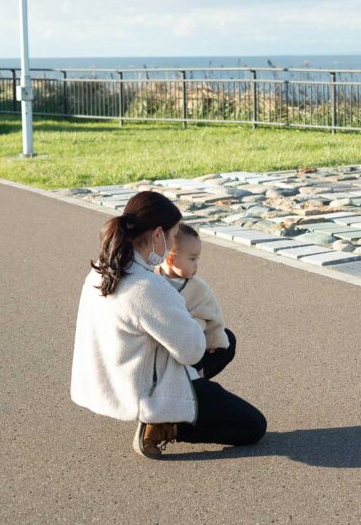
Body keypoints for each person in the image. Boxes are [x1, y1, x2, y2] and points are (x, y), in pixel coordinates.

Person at [70, 191, 265, 459]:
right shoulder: (148, 287)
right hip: (144, 387)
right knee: (252, 426)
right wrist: (191, 317)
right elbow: (192, 351)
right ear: (158, 235)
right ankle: (167, 422)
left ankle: (178, 409)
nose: (174, 242)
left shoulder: (102, 269)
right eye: (174, 236)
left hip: (111, 374)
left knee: (226, 342)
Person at [156, 224, 236, 381]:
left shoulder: (198, 287)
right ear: (171, 259)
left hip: (191, 341)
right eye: (192, 259)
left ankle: (197, 378)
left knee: (219, 338)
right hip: (166, 342)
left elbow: (213, 315)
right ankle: (192, 382)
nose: (196, 264)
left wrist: (215, 339)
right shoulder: (154, 278)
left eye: (197, 259)